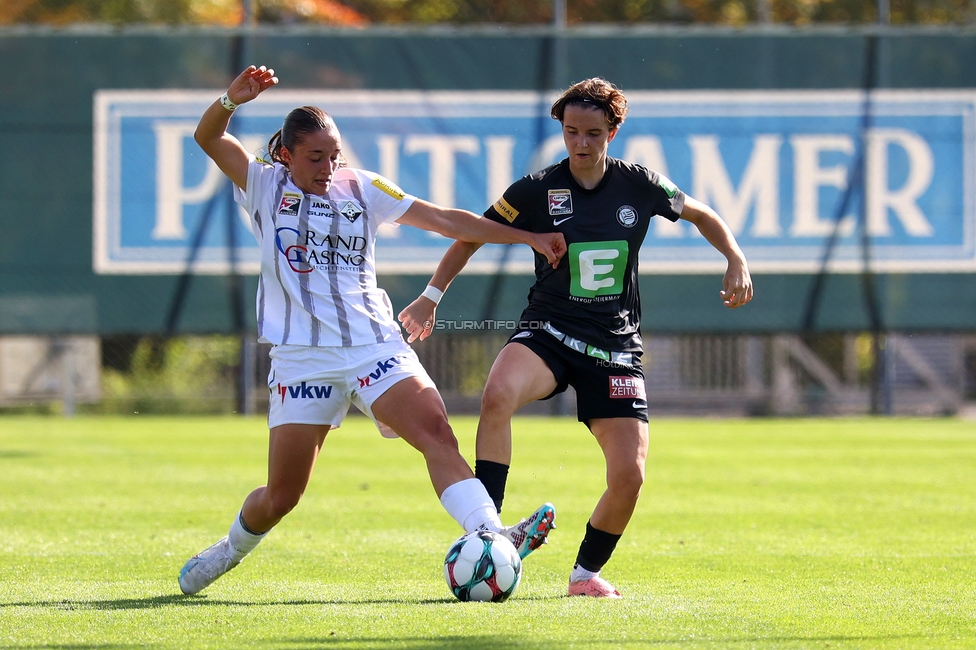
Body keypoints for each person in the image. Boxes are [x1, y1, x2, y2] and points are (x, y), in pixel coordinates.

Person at [178, 65, 563, 596]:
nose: (328, 166)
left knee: (435, 431)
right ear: (286, 155)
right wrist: (230, 99)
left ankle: (492, 536)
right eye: (316, 157)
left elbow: (446, 220)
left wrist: (528, 237)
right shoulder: (262, 184)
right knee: (282, 496)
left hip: (373, 344)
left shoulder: (361, 186)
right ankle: (228, 550)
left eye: (334, 154)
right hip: (301, 357)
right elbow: (208, 137)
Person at [399, 77, 753, 599]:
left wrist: (735, 258)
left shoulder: (641, 184)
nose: (580, 143)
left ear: (613, 131)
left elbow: (701, 213)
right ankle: (490, 533)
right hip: (549, 330)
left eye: (592, 132)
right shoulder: (537, 188)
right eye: (570, 132)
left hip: (614, 348)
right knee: (496, 395)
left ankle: (584, 574)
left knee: (629, 477)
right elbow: (472, 232)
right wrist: (432, 295)